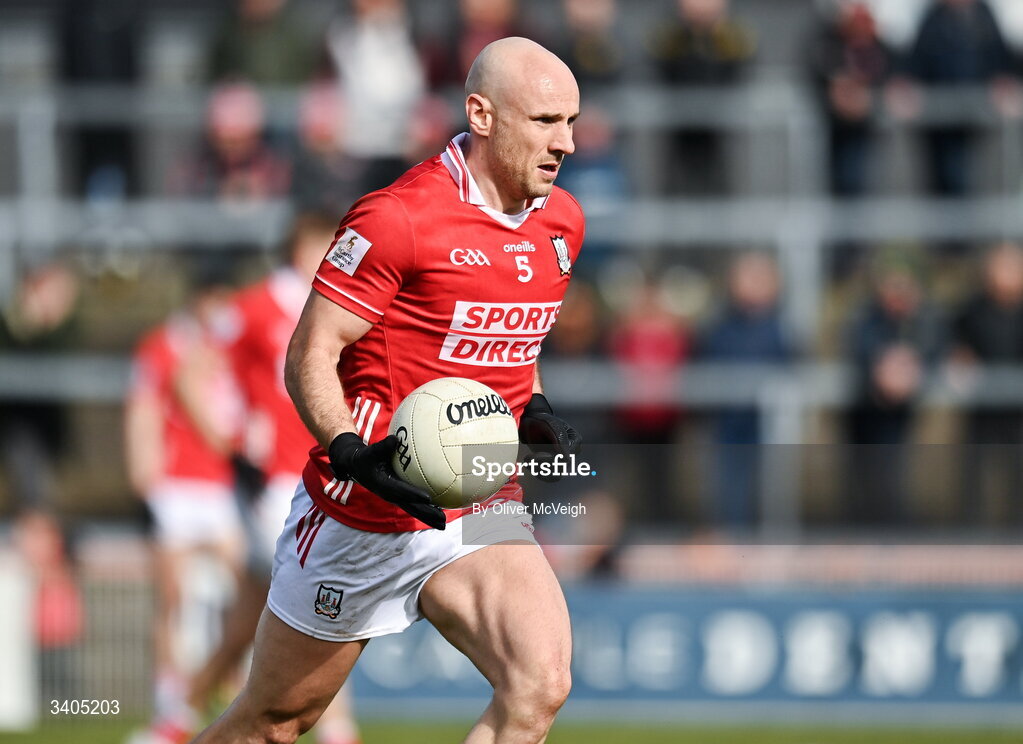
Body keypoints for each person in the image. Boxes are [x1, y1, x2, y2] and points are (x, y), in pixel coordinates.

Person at [193, 37, 583, 744]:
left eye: (571, 123)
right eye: (545, 121)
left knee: (540, 683)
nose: (567, 143)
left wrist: (534, 406)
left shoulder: (560, 225)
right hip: (362, 510)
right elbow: (311, 351)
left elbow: (516, 346)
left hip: (475, 499)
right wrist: (348, 449)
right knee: (276, 722)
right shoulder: (397, 217)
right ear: (482, 114)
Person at [137, 214, 362, 744]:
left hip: (323, 472)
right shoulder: (256, 305)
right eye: (325, 244)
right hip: (278, 483)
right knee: (327, 597)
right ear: (300, 246)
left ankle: (175, 720)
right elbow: (192, 371)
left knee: (249, 618)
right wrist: (231, 446)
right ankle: (338, 731)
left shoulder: (344, 305)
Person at [124, 275, 245, 726]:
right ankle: (169, 690)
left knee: (246, 587)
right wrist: (143, 466)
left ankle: (227, 682)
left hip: (221, 485)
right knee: (170, 594)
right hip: (176, 482)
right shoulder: (162, 346)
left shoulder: (232, 344)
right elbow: (143, 406)